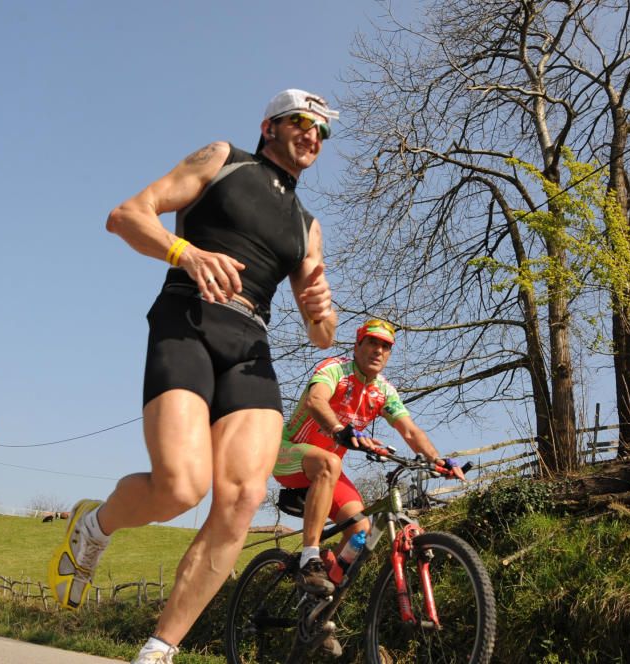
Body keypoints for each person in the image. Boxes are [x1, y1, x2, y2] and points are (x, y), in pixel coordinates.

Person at [47, 89, 339, 664]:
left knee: (242, 498)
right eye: (303, 122)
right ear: (269, 126)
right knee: (181, 487)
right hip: (188, 319)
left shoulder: (308, 226)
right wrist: (186, 252)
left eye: (323, 131)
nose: (313, 135)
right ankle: (95, 525)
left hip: (251, 345)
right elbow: (126, 215)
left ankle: (158, 650)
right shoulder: (223, 158)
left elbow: (320, 333)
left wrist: (322, 311)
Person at [273, 319, 466, 604]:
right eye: (372, 343)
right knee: (329, 462)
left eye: (385, 346)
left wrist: (438, 460)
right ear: (357, 345)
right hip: (289, 453)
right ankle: (309, 558)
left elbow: (410, 431)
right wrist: (340, 430)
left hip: (328, 468)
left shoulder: (384, 392)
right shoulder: (335, 369)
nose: (378, 350)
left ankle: (317, 600)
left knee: (359, 530)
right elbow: (316, 400)